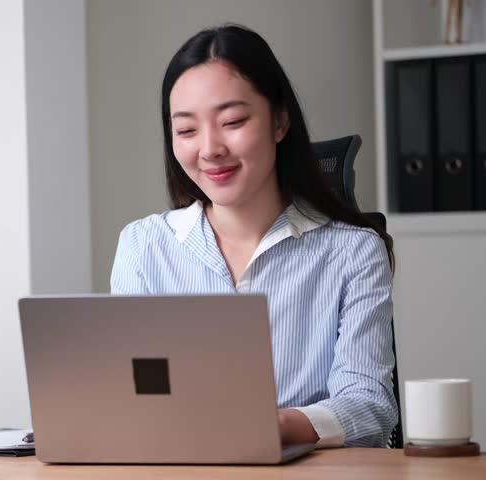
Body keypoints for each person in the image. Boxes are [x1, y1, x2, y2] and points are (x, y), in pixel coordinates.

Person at [110, 24, 397, 448]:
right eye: (187, 130)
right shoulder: (144, 247)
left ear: (280, 120)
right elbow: (135, 393)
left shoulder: (353, 252)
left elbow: (368, 404)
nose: (209, 149)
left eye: (233, 121)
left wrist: (270, 425)